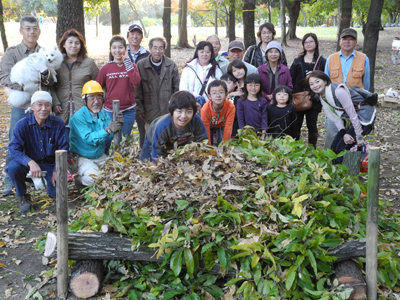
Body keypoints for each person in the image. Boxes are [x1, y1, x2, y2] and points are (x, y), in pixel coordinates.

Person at [0, 15, 54, 196]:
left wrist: (46, 74)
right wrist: (23, 86)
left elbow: (52, 79)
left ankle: (34, 175)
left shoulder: (46, 52)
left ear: (39, 31)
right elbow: (4, 77)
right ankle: (10, 179)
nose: (32, 31)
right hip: (23, 105)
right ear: (21, 31)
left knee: (42, 141)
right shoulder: (12, 53)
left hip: (42, 107)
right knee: (15, 139)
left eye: (35, 28)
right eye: (28, 28)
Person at [7, 91, 68, 212]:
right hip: (29, 164)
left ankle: (50, 186)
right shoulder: (22, 124)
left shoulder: (58, 123)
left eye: (47, 105)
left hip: (50, 164)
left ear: (51, 107)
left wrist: (57, 170)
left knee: (59, 195)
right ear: (32, 106)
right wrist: (30, 162)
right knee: (12, 168)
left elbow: (64, 148)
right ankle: (23, 194)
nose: (43, 109)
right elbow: (13, 149)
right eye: (39, 104)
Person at [306, 71, 374, 163]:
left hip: (364, 117)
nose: (315, 85)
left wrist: (359, 136)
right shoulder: (322, 96)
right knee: (334, 147)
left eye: (317, 81)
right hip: (349, 120)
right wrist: (344, 134)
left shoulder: (339, 91)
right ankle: (336, 171)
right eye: (311, 84)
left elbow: (353, 115)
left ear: (325, 81)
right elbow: (334, 117)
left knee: (342, 148)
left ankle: (344, 172)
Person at [69, 81, 124, 187]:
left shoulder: (102, 114)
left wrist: (117, 126)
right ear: (84, 101)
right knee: (95, 179)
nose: (96, 101)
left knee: (118, 171)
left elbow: (110, 136)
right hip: (82, 157)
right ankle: (78, 180)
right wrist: (108, 129)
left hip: (99, 155)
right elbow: (89, 138)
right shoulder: (78, 117)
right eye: (91, 98)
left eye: (99, 97)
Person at [324, 28, 370, 148]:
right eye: (345, 39)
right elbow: (325, 84)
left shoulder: (364, 58)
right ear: (340, 41)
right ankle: (330, 162)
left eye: (351, 39)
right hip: (335, 106)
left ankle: (349, 164)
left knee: (353, 138)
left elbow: (366, 85)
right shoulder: (331, 59)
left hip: (355, 107)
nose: (347, 42)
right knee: (332, 135)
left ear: (355, 43)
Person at [140, 91, 208, 161]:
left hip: (180, 140)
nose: (184, 116)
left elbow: (202, 140)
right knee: (146, 160)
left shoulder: (196, 120)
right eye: (179, 111)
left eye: (189, 112)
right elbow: (157, 152)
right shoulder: (162, 126)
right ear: (172, 111)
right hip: (154, 137)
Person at [52, 29, 99, 126]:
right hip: (61, 111)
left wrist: (95, 103)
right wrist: (55, 103)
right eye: (70, 42)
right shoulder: (56, 63)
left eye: (77, 43)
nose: (73, 45)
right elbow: (50, 86)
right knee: (63, 139)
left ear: (81, 46)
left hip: (84, 111)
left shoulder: (89, 63)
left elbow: (100, 85)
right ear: (64, 44)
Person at [96, 35, 141, 137]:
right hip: (109, 110)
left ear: (126, 49)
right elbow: (98, 87)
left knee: (125, 138)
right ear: (110, 49)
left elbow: (136, 81)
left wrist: (127, 63)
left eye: (120, 47)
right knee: (109, 138)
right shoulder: (106, 68)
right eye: (114, 47)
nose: (117, 50)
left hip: (128, 110)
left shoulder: (132, 66)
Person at [290, 33, 326, 148]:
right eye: (306, 42)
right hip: (298, 97)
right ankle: (295, 149)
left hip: (314, 99)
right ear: (303, 44)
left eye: (311, 41)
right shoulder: (297, 61)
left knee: (312, 125)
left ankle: (312, 148)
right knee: (296, 125)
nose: (308, 44)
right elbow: (291, 78)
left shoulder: (322, 61)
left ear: (316, 43)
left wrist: (319, 94)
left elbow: (326, 79)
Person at [135, 37, 180, 130]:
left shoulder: (171, 65)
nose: (157, 51)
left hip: (168, 112)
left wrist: (174, 108)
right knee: (151, 140)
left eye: (160, 48)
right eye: (155, 48)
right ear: (150, 49)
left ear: (164, 50)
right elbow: (137, 90)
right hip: (149, 113)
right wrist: (139, 109)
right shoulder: (141, 65)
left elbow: (176, 89)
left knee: (168, 140)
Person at [126, 24, 150, 148]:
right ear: (128, 36)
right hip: (125, 96)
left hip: (142, 97)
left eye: (138, 34)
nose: (135, 36)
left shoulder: (147, 54)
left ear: (141, 37)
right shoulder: (120, 52)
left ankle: (143, 152)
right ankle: (123, 154)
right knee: (124, 129)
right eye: (132, 33)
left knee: (143, 128)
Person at [201, 80, 236, 146]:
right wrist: (207, 146)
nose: (218, 95)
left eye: (221, 92)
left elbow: (228, 127)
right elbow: (205, 129)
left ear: (226, 95)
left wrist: (224, 145)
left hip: (222, 125)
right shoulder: (205, 109)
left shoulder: (231, 107)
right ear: (209, 96)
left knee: (222, 142)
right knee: (208, 142)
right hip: (210, 125)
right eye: (214, 93)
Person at [237, 74, 268, 140]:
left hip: (259, 133)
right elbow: (240, 119)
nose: (253, 88)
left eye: (256, 85)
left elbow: (264, 118)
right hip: (246, 133)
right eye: (250, 85)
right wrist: (243, 133)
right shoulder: (241, 101)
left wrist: (263, 134)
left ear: (260, 86)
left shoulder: (263, 101)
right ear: (245, 86)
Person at [221, 73, 240, 137]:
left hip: (234, 128)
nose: (226, 85)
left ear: (235, 84)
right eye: (223, 83)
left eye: (228, 83)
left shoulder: (238, 98)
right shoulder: (218, 97)